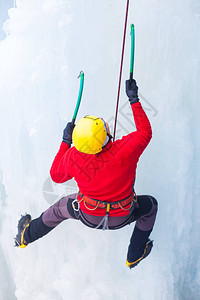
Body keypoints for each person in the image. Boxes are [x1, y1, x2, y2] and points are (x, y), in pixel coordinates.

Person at [15, 79, 158, 269]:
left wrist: (66, 142)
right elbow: (145, 132)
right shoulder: (124, 150)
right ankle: (134, 255)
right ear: (106, 136)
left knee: (59, 209)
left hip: (89, 215)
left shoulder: (75, 157)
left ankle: (25, 236)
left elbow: (56, 175)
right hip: (123, 215)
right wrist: (134, 100)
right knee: (151, 206)